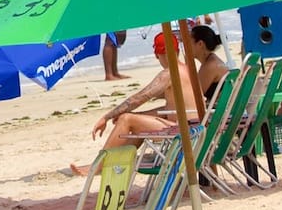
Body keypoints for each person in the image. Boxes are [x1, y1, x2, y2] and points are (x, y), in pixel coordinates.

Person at [87, 25, 229, 153]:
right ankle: (117, 158)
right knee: (135, 119)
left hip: (186, 130)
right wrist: (140, 114)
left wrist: (106, 117)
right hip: (197, 125)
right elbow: (172, 107)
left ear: (156, 54)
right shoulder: (188, 69)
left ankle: (99, 164)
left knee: (126, 119)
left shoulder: (170, 73)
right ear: (177, 50)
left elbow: (138, 98)